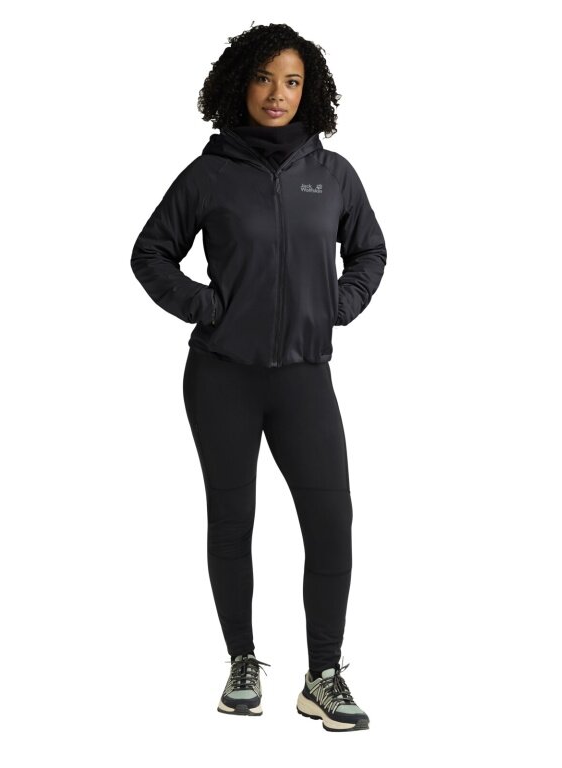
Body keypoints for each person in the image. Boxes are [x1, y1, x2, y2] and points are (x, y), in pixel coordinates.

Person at [130, 22, 386, 733]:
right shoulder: (209, 174)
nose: (278, 93)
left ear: (310, 92)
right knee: (232, 518)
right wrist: (207, 306)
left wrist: (338, 303)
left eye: (293, 81)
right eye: (265, 78)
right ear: (239, 85)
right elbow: (150, 252)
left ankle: (322, 676)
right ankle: (242, 662)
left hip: (304, 376)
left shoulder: (332, 174)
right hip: (222, 377)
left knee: (331, 521)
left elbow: (369, 250)